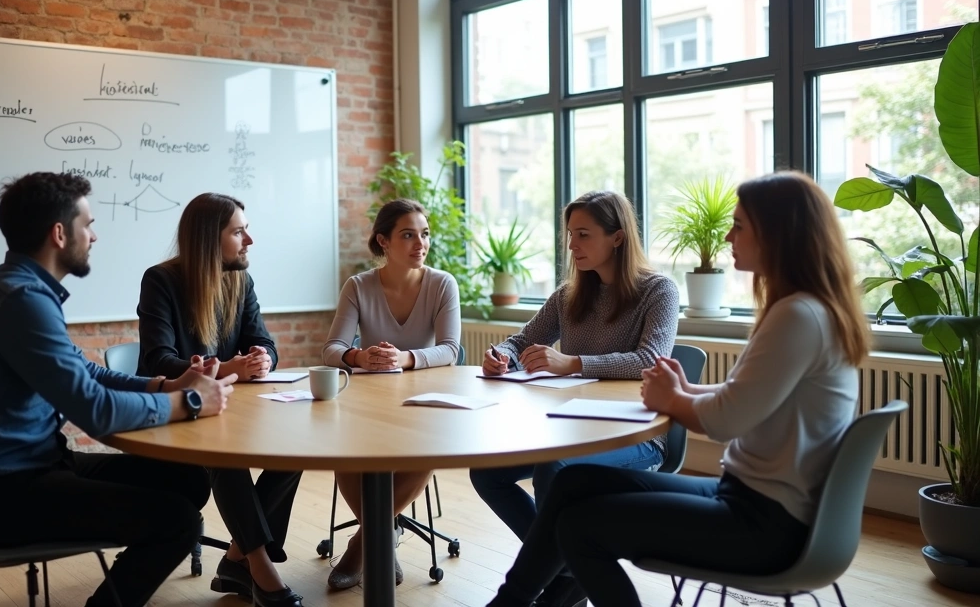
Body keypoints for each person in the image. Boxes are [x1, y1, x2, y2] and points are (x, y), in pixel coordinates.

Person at [487, 171, 871, 607]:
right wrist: (688, 389)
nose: (728, 236)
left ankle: (512, 603)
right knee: (573, 481)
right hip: (752, 499)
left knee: (578, 525)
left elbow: (725, 422)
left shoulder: (797, 316)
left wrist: (675, 398)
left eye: (740, 225)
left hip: (765, 522)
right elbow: (743, 397)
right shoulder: (807, 311)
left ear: (779, 233)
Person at [0, 172, 236, 607]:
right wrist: (190, 401)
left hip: (29, 467)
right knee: (180, 521)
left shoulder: (22, 292)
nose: (94, 236)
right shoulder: (22, 303)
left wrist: (167, 383)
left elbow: (88, 373)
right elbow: (96, 411)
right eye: (88, 224)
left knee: (184, 479)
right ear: (59, 234)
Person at [470, 190, 679, 606]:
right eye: (570, 234)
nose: (572, 245)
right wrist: (502, 357)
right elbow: (521, 340)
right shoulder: (569, 294)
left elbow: (649, 360)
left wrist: (573, 362)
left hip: (634, 437)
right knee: (486, 472)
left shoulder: (659, 291)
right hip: (569, 430)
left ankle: (561, 576)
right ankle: (569, 570)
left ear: (617, 238)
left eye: (583, 234)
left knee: (555, 469)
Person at [137, 192, 304, 607]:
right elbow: (155, 361)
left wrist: (264, 358)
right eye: (239, 232)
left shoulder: (239, 279)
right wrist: (229, 368)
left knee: (298, 448)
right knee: (226, 456)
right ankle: (262, 568)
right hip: (179, 412)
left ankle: (236, 557)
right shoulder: (161, 281)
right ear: (209, 239)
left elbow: (262, 341)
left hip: (234, 409)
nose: (249, 240)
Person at [319, 198, 462, 590]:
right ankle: (383, 538)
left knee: (429, 448)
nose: (421, 243)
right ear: (383, 241)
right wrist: (359, 355)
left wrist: (405, 357)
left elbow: (451, 349)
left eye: (425, 234)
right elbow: (331, 349)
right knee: (341, 447)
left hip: (423, 402)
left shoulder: (442, 283)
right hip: (366, 403)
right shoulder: (359, 286)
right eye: (408, 235)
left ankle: (364, 544)